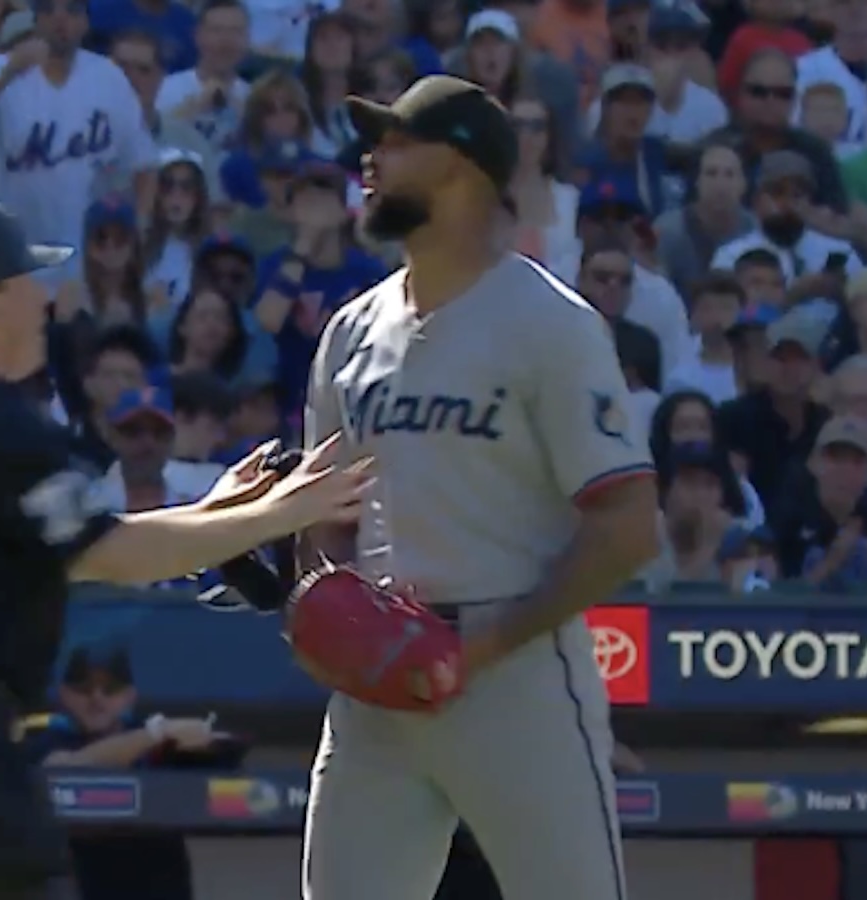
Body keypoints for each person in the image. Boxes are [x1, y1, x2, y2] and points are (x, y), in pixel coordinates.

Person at [0, 199, 371, 900]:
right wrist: (280, 514)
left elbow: (77, 538)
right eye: (25, 282)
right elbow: (114, 555)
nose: (44, 301)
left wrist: (221, 511)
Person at [301, 75, 659, 900]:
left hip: (517, 675)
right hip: (378, 681)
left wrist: (483, 646)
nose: (371, 158)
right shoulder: (350, 331)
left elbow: (628, 526)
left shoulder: (551, 323)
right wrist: (314, 599)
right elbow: (325, 516)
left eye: (394, 140)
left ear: (463, 167)